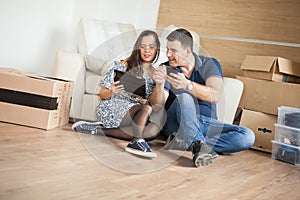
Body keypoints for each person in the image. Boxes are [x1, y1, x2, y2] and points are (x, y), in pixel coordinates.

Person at [152, 28, 255, 167]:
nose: (168, 54)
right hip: (177, 123)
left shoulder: (209, 64)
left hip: (206, 123)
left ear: (187, 51)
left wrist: (188, 85)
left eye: (173, 50)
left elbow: (215, 95)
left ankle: (188, 142)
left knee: (247, 136)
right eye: (168, 49)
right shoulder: (166, 68)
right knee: (184, 98)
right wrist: (159, 85)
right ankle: (196, 144)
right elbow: (158, 106)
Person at [72, 30, 164, 158]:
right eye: (143, 47)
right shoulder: (123, 65)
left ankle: (97, 130)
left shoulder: (156, 75)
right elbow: (102, 94)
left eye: (151, 47)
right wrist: (111, 91)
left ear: (157, 49)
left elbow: (155, 104)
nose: (147, 51)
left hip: (137, 113)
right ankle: (136, 141)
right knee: (146, 111)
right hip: (114, 107)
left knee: (153, 131)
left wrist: (146, 100)